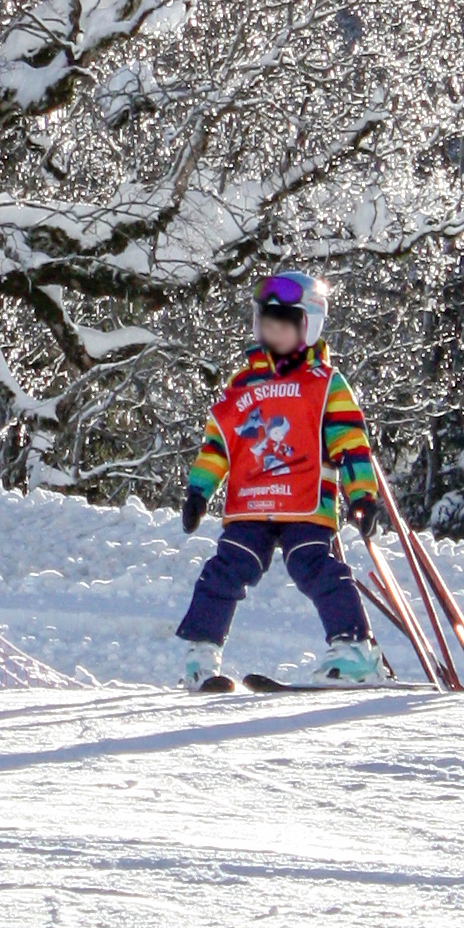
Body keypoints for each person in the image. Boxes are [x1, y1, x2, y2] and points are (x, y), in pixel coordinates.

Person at [173, 270, 392, 688]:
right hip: (251, 501)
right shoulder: (242, 385)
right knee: (225, 569)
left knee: (313, 566)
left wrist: (361, 495)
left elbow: (350, 441)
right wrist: (200, 490)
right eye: (265, 324)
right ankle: (200, 654)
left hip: (305, 502)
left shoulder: (326, 385)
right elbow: (218, 442)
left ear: (308, 327)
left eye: (281, 326)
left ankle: (354, 648)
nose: (270, 334)